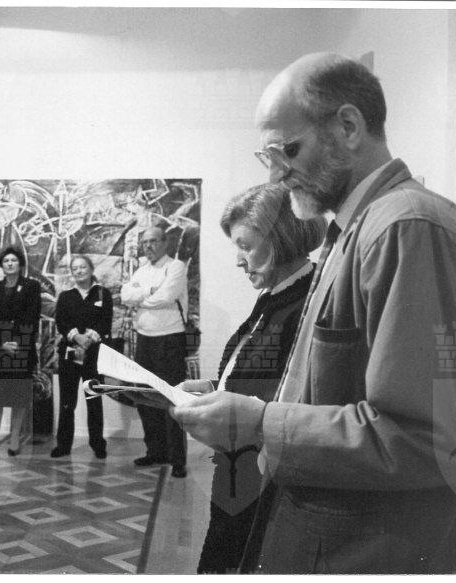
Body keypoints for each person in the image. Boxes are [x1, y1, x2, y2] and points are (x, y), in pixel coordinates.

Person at [172, 53, 456, 574]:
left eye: (286, 150)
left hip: (376, 552)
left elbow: (429, 439)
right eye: (266, 157)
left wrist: (259, 421)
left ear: (348, 127)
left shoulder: (409, 229)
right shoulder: (357, 230)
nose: (276, 174)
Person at [178, 183, 323, 573]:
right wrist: (214, 388)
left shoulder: (305, 303)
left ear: (281, 239)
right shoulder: (276, 294)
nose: (239, 261)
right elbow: (261, 376)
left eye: (246, 246)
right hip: (238, 473)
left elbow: (294, 398)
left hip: (260, 481)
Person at [120, 225, 189, 478]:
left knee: (172, 399)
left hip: (169, 340)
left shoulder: (176, 267)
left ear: (165, 243)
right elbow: (125, 295)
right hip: (144, 340)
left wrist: (140, 298)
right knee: (146, 398)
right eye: (145, 242)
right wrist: (149, 291)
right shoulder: (142, 270)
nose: (148, 246)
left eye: (153, 241)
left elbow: (166, 297)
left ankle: (177, 459)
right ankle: (156, 451)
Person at [0, 246, 41, 457]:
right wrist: (2, 343)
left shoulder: (32, 286)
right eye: (6, 260)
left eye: (13, 260)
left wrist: (16, 342)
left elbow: (32, 317)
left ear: (20, 263)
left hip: (21, 349)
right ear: (1, 264)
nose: (9, 263)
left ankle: (15, 437)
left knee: (18, 396)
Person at [51, 255, 111, 459]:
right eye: (75, 268)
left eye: (83, 267)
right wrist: (76, 337)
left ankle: (97, 444)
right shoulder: (65, 296)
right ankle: (63, 445)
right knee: (67, 401)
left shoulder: (103, 293)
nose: (79, 271)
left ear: (91, 269)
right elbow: (61, 322)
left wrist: (89, 339)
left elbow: (106, 322)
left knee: (94, 399)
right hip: (70, 354)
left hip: (94, 355)